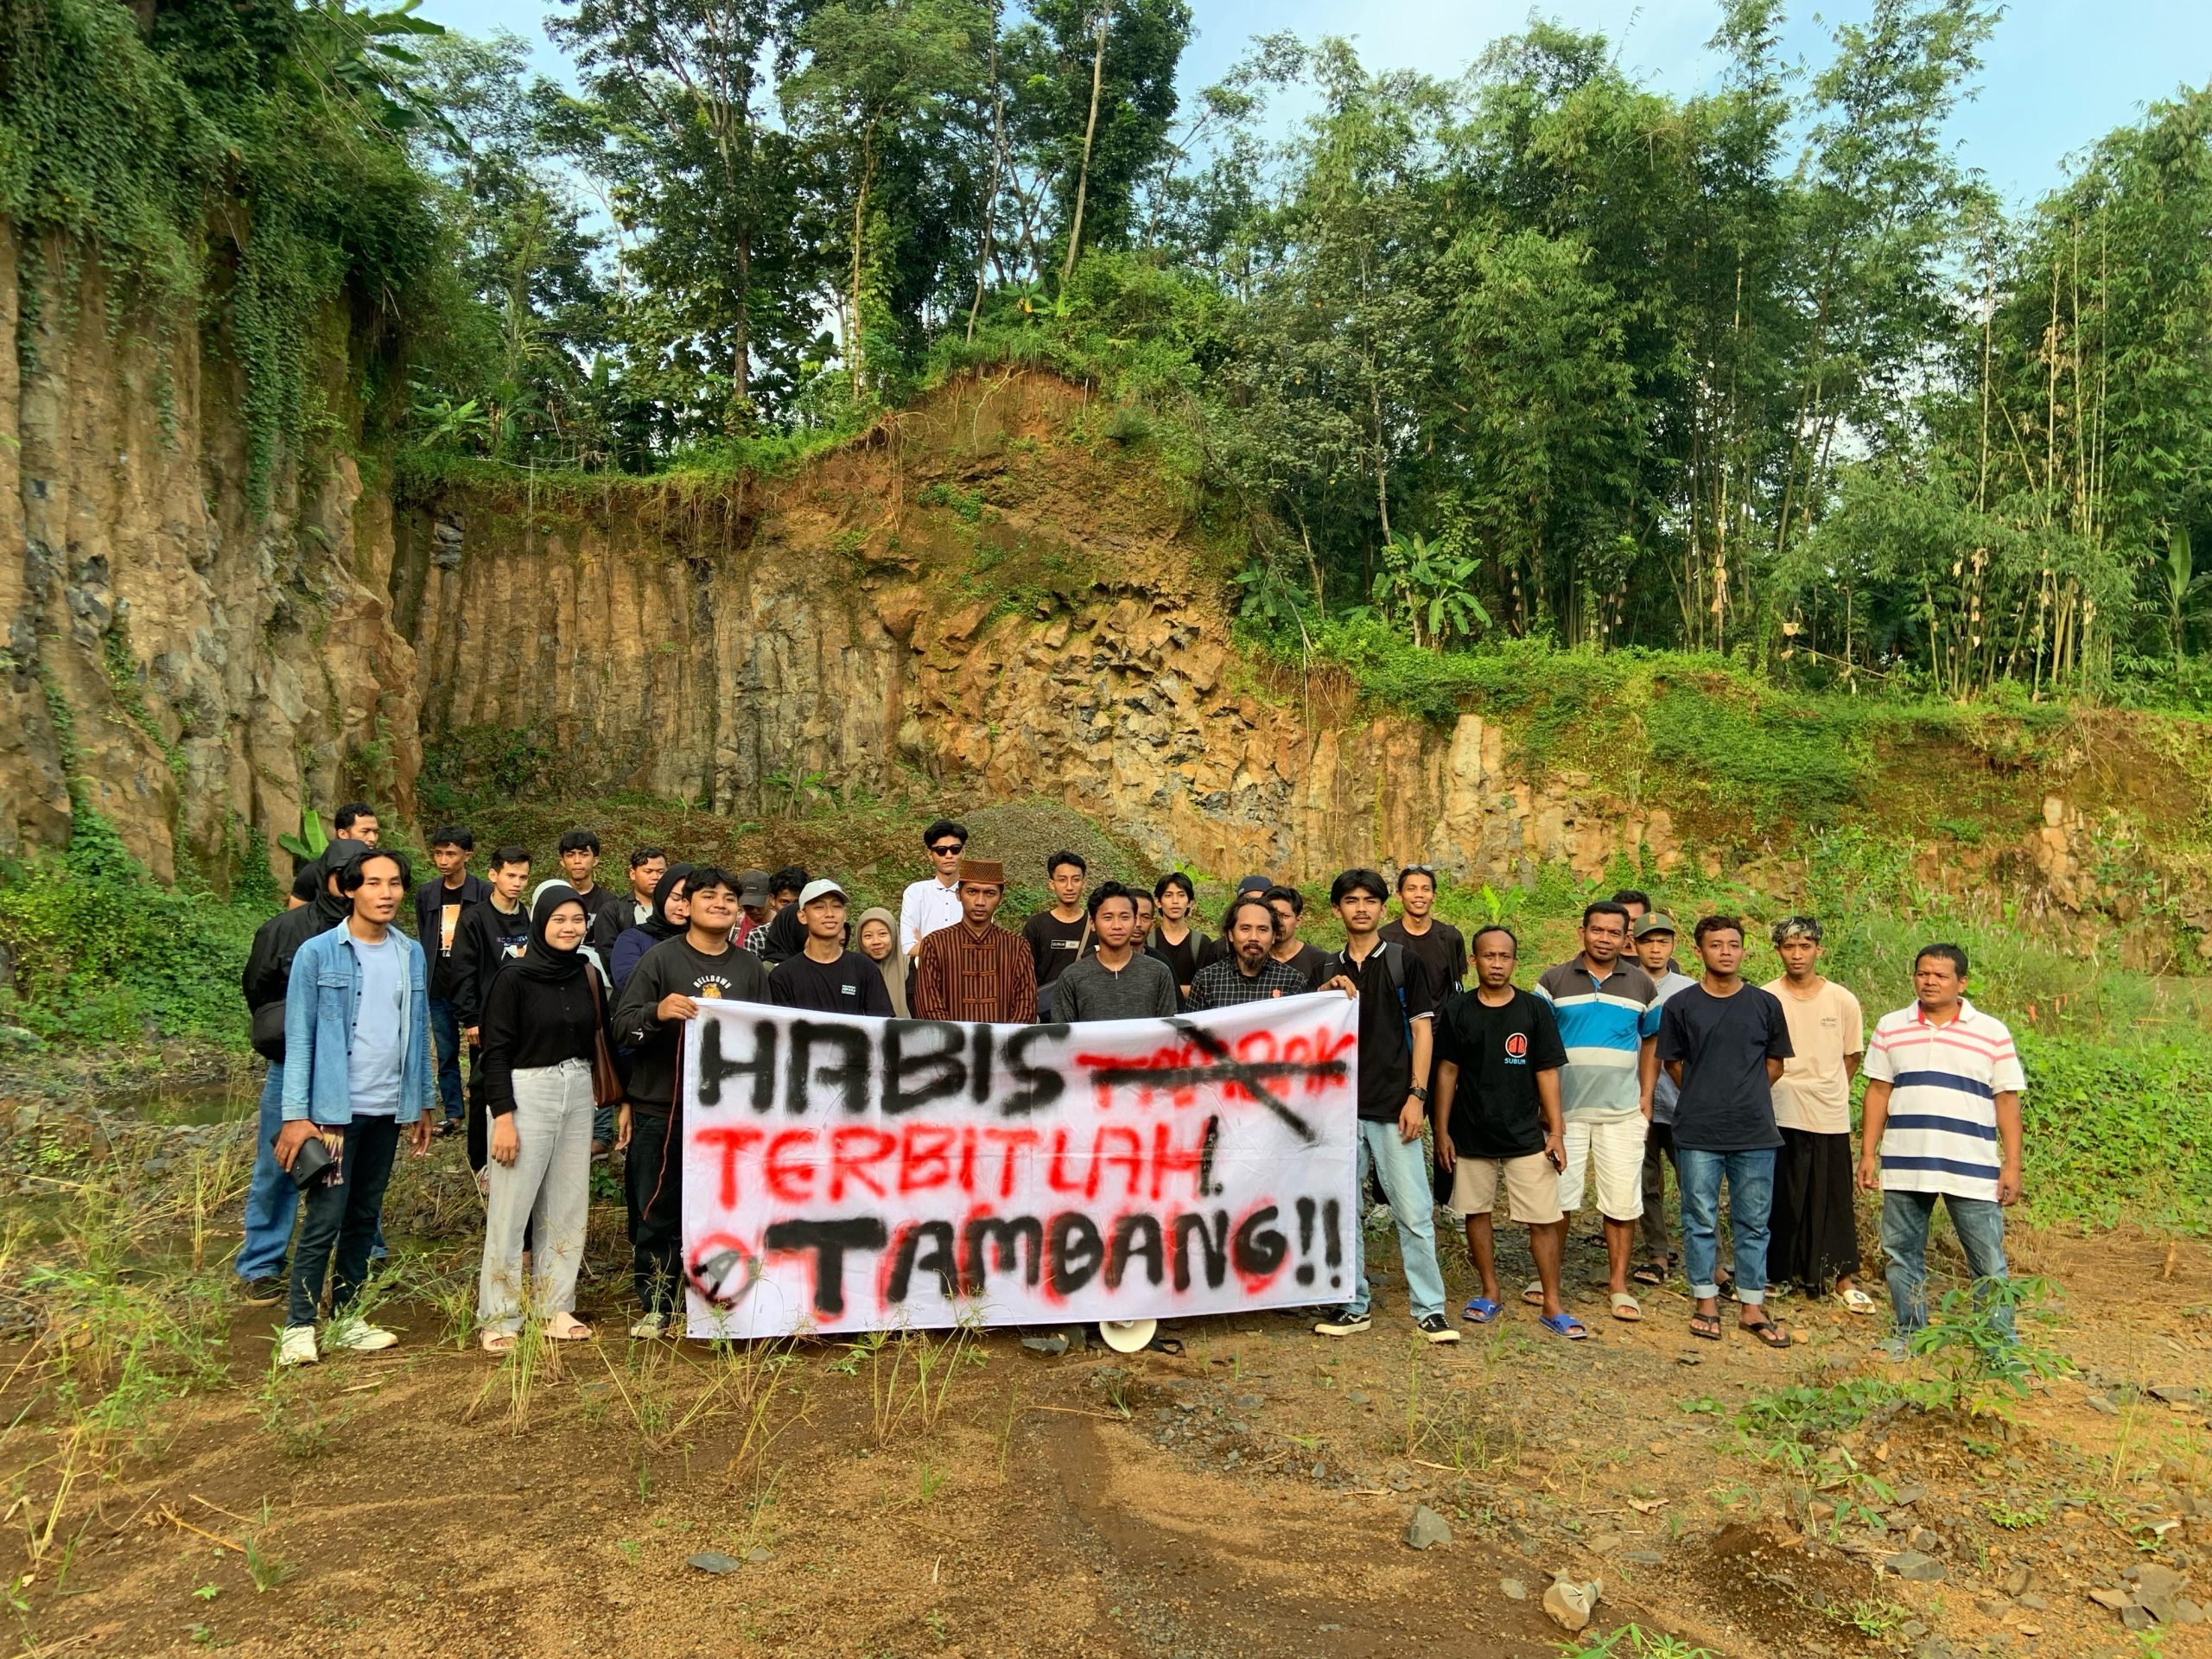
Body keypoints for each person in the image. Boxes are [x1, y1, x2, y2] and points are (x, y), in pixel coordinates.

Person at [271, 848, 435, 1365]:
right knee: (326, 1218)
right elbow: (299, 1039)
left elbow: (418, 1030)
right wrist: (296, 1115)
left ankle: (347, 1319)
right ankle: (299, 1326)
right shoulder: (318, 953)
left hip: (387, 1109)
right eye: (373, 883)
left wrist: (423, 1102)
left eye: (395, 883)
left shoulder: (410, 953)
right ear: (350, 889)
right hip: (333, 1116)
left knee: (365, 1215)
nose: (386, 894)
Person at [613, 868, 772, 1337]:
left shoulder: (750, 968)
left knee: (728, 1209)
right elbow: (622, 1026)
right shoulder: (660, 960)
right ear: (687, 904)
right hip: (664, 1106)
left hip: (730, 1114)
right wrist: (658, 1012)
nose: (720, 904)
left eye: (729, 898)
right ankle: (659, 1304)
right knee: (658, 1209)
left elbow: (768, 1035)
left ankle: (724, 1298)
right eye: (709, 895)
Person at [1307, 870, 1454, 1344]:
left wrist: (1417, 1095)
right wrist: (1322, 998)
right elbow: (1311, 1040)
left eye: (1370, 900)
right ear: (1337, 909)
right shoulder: (1325, 968)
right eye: (1351, 900)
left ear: (1382, 908)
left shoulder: (1403, 962)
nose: (1361, 908)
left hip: (1393, 1105)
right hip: (1339, 1110)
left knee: (1414, 1212)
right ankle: (1353, 1303)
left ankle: (1430, 1308)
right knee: (1344, 1212)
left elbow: (1423, 1031)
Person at [1857, 944, 2025, 1355]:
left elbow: (2007, 1100)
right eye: (1922, 973)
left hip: (1971, 1165)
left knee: (1987, 1260)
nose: (1929, 981)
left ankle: (1998, 1346)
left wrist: (2012, 1165)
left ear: (1961, 982)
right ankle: (1909, 1334)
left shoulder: (1991, 1032)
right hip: (1906, 1162)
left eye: (1940, 975)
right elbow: (1878, 1091)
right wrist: (1868, 1153)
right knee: (1901, 1254)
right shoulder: (1891, 1026)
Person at [474, 885, 615, 1351]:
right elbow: (494, 1053)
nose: (569, 929)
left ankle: (555, 1306)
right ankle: (499, 1315)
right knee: (511, 1208)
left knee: (568, 1203)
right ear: (540, 923)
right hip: (526, 1090)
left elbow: (603, 1040)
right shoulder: (513, 977)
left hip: (578, 1087)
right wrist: (504, 1118)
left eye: (577, 920)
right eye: (559, 920)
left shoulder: (585, 972)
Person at [236, 839, 365, 1304]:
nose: (351, 887)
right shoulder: (284, 930)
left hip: (354, 1071)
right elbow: (258, 991)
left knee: (355, 1164)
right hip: (292, 1065)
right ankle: (262, 1263)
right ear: (324, 878)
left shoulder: (375, 936)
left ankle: (363, 1250)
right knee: (281, 1161)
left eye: (361, 879)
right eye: (343, 877)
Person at [1433, 925, 1577, 1337]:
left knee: (1543, 1218)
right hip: (1471, 1131)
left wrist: (1556, 1132)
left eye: (1504, 956)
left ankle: (1552, 1302)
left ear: (1515, 961)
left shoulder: (1534, 1010)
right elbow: (1447, 1072)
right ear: (1474, 961)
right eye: (1488, 956)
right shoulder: (1458, 1010)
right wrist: (1441, 1131)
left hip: (1526, 1133)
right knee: (1476, 1212)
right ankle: (1489, 1291)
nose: (1497, 964)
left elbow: (1547, 1072)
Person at [1658, 915, 1794, 1350]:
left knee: (1753, 1222)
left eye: (1733, 945)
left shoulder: (1765, 1004)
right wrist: (1705, 1094)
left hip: (1755, 1132)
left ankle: (1752, 1306)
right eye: (1716, 945)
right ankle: (1705, 1300)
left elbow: (1775, 1064)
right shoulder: (1681, 1006)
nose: (1726, 952)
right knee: (1699, 1219)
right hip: (1697, 1131)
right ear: (1699, 951)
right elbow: (1672, 1063)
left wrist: (1743, 1094)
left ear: (1744, 950)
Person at [1533, 902, 1661, 1323]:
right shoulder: (1552, 981)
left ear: (1626, 939)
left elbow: (1652, 1040)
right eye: (1597, 930)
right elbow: (1538, 1044)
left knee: (1621, 1202)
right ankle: (1548, 1280)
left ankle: (1618, 1285)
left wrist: (1646, 1095)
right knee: (1557, 1200)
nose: (1604, 939)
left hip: (1622, 1112)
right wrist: (1545, 1107)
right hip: (1564, 1115)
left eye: (1613, 932)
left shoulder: (1642, 984)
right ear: (1582, 932)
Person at [1763, 918, 1870, 1309]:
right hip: (1778, 1108)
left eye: (1805, 946)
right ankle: (1777, 1273)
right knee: (1781, 1194)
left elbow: (1851, 1056)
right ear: (1778, 951)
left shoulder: (1842, 1000)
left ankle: (1839, 1275)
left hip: (1827, 1111)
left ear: (1818, 950)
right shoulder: (1766, 996)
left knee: (1833, 1194)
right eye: (1789, 947)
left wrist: (1831, 1088)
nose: (1797, 955)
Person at [450, 846, 534, 1177]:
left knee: (520, 1084)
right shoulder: (474, 919)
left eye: (523, 877)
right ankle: (480, 1161)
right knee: (484, 1085)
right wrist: (470, 1018)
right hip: (486, 1019)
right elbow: (463, 970)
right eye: (511, 875)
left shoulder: (529, 916)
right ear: (493, 875)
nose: (517, 883)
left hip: (525, 1018)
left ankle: (514, 1151)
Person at [1630, 913, 1700, 1289]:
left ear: (1674, 945)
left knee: (1695, 1183)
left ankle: (1708, 1260)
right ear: (1634, 945)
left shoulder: (1691, 991)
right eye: (1647, 941)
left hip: (1681, 1103)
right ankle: (1657, 1253)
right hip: (1633, 1102)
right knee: (1645, 1183)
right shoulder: (1625, 984)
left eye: (1662, 941)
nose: (1655, 949)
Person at [413, 826, 489, 1136]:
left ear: (467, 855)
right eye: (438, 853)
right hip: (439, 985)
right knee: (446, 1053)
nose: (443, 860)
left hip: (473, 986)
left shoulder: (483, 892)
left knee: (481, 1051)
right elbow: (425, 934)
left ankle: (483, 1110)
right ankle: (454, 1113)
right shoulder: (427, 894)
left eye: (451, 854)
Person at [911, 860, 1037, 1023]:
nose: (980, 902)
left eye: (990, 893)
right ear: (958, 894)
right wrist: (955, 1037)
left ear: (1001, 898)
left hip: (1006, 1040)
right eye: (972, 892)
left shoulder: (1017, 946)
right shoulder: (935, 944)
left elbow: (1026, 1006)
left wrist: (1004, 1037)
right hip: (949, 1040)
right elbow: (928, 1006)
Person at [1052, 882, 1177, 1022]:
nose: (1117, 926)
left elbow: (1169, 1031)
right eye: (1108, 917)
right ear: (1092, 923)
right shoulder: (1072, 977)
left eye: (1125, 917)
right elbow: (1062, 1033)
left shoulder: (1159, 973)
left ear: (1135, 921)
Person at [769, 880, 894, 1015]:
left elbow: (881, 1023)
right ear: (803, 916)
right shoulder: (783, 975)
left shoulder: (864, 968)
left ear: (845, 914)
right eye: (819, 907)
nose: (829, 914)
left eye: (836, 906)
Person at [1188, 894, 1313, 1007]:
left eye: (1262, 930)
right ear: (1231, 934)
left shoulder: (1293, 982)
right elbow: (1191, 1025)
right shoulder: (1206, 980)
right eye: (1245, 929)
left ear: (1273, 936)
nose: (1254, 937)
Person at [1382, 865, 1468, 1000]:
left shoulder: (1451, 937)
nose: (1419, 895)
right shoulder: (1384, 939)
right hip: (1400, 1013)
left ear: (1434, 896)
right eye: (1411, 889)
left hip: (1442, 1014)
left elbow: (1456, 984)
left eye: (1426, 889)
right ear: (1399, 895)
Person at [1022, 851, 1091, 1015]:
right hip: (1046, 1014)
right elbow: (1025, 974)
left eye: (1076, 880)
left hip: (1085, 1013)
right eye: (1062, 880)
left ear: (1084, 883)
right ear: (1051, 884)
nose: (1069, 887)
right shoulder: (1036, 925)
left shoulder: (1096, 924)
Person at [610, 865, 691, 992]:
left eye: (689, 901)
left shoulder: (706, 941)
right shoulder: (632, 939)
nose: (682, 907)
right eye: (675, 898)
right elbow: (630, 982)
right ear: (662, 896)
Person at [899, 819, 969, 959]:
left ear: (963, 852)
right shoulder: (915, 893)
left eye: (955, 849)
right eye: (941, 851)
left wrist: (927, 947)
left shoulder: (976, 893)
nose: (949, 855)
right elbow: (908, 946)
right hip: (926, 972)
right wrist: (960, 951)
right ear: (930, 855)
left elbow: (982, 945)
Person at [1147, 872, 1210, 1007]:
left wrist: (1164, 990)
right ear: (1158, 902)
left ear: (1190, 902)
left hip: (1193, 1014)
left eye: (1181, 895)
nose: (1175, 901)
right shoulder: (1148, 942)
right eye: (1168, 895)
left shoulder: (1201, 943)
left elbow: (1207, 988)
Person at [592, 847, 669, 954]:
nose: (656, 877)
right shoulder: (613, 911)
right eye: (648, 871)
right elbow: (607, 951)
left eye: (661, 872)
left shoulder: (676, 909)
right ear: (633, 874)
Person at [1264, 885, 1329, 989]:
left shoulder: (1320, 961)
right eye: (1273, 916)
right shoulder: (1255, 959)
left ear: (1298, 921)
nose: (1279, 922)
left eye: (1285, 916)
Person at [856, 906, 911, 1018]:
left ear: (893, 935)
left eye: (882, 934)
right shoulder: (851, 971)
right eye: (868, 936)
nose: (876, 941)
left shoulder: (912, 968)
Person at [754, 865, 813, 966]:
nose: (791, 909)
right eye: (784, 902)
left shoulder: (815, 934)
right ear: (772, 900)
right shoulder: (758, 937)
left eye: (797, 903)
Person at [732, 869, 775, 951]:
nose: (753, 910)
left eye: (758, 904)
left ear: (771, 898)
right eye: (748, 905)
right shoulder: (735, 923)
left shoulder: (780, 926)